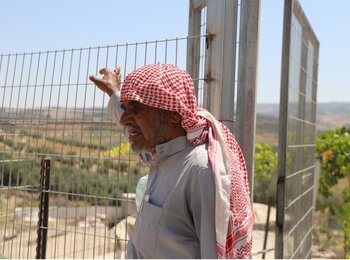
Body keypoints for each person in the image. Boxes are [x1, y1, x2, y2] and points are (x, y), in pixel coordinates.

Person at [89, 64, 254, 259]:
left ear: (175, 114)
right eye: (125, 107)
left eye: (136, 108)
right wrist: (113, 92)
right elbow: (133, 128)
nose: (124, 119)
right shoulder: (160, 153)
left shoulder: (200, 171)